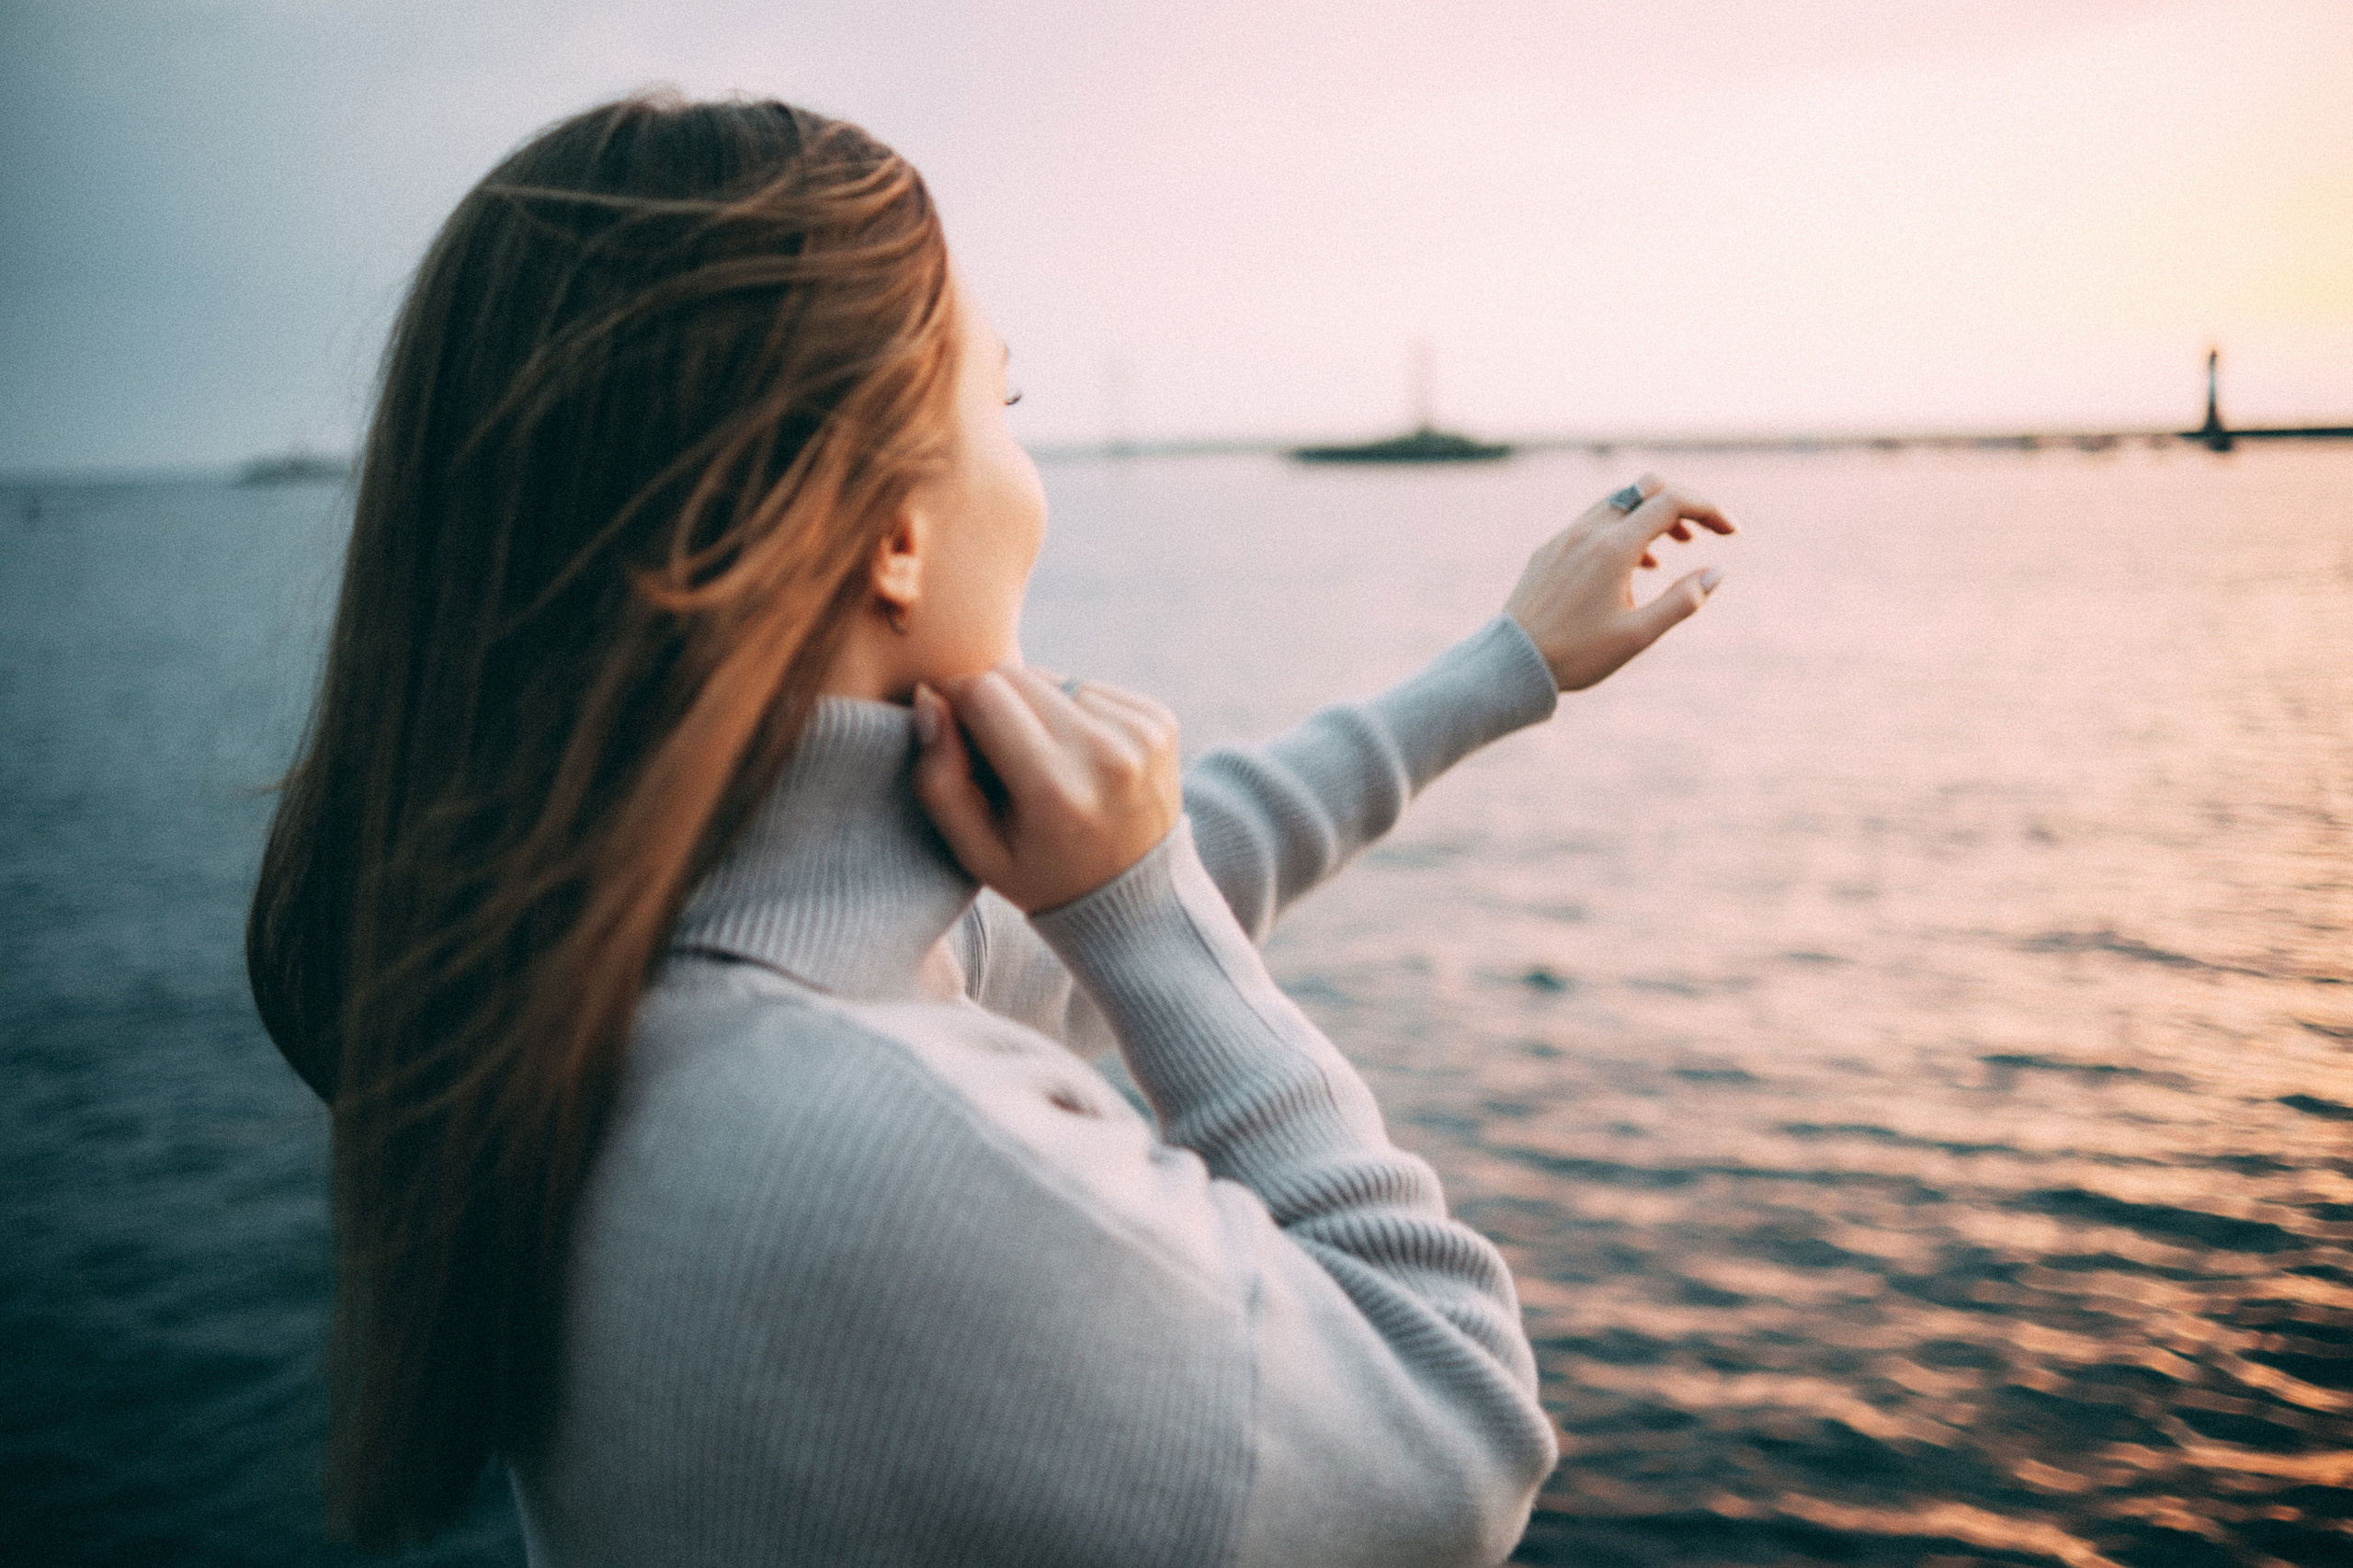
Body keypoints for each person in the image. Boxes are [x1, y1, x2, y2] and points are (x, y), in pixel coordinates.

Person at [246, 92, 1733, 1566]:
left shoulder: (581, 971)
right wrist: (1144, 917)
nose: (1028, 488)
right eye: (1001, 408)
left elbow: (1055, 919)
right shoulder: (868, 1138)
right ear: (893, 529)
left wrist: (1504, 664)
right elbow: (1453, 1449)